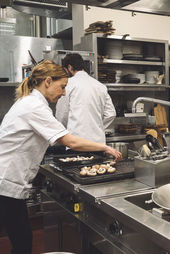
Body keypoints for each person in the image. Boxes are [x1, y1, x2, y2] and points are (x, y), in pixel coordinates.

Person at [0, 60, 122, 254]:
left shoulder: (31, 102)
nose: (64, 92)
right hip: (5, 183)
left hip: (9, 182)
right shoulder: (34, 106)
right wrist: (104, 146)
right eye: (62, 86)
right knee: (22, 242)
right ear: (48, 81)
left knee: (21, 240)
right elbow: (70, 142)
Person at [56, 53, 116, 146]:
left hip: (77, 142)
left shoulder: (68, 85)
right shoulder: (100, 86)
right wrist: (97, 127)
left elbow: (62, 115)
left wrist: (67, 131)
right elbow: (111, 114)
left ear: (69, 67)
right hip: (98, 143)